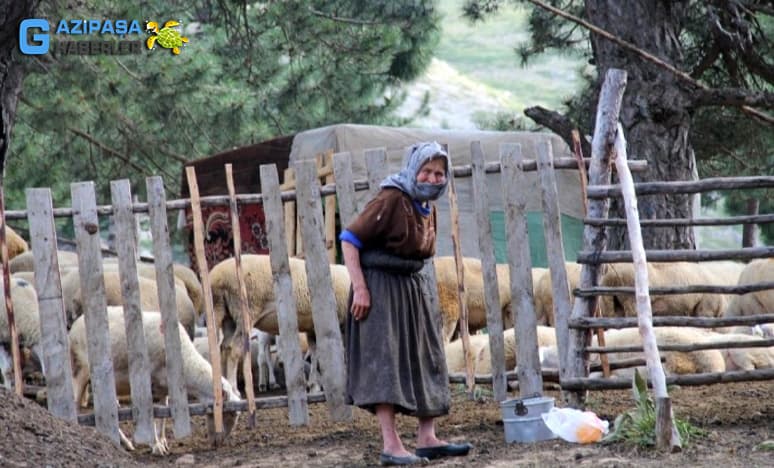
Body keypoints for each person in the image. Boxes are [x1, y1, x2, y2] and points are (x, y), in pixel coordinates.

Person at [339, 142, 472, 466]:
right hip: (380, 287)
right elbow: (350, 239)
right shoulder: (392, 198)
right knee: (386, 361)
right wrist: (360, 288)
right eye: (426, 170)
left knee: (427, 356)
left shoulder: (426, 204)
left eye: (439, 173)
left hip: (411, 288)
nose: (432, 177)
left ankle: (427, 438)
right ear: (413, 169)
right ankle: (391, 445)